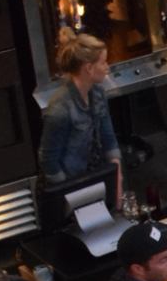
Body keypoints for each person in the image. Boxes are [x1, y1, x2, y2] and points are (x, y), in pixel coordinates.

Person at [39, 28, 120, 194]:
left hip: (97, 174)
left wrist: (117, 179)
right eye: (103, 62)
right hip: (72, 183)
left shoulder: (98, 94)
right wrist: (70, 192)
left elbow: (109, 139)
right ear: (89, 68)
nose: (107, 67)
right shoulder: (60, 109)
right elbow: (48, 161)